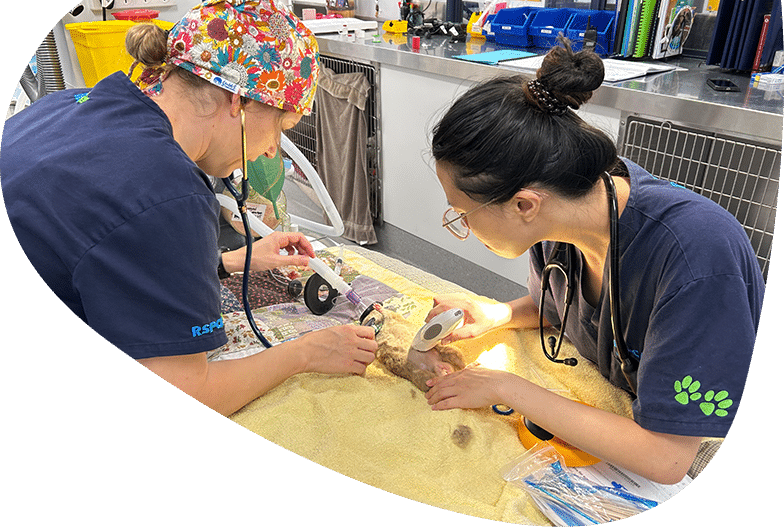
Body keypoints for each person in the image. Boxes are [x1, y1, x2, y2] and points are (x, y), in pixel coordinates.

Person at [1, 1, 377, 417]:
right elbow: (186, 395)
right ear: (239, 101)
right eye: (279, 128)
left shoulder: (70, 104)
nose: (272, 149)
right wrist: (305, 352)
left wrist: (223, 262)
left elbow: (98, 247)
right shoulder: (169, 190)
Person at [423, 38, 764, 484]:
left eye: (463, 214)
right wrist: (498, 314)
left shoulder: (695, 255)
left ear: (525, 204)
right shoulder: (566, 210)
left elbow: (667, 458)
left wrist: (504, 387)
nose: (462, 227)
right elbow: (566, 309)